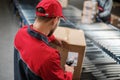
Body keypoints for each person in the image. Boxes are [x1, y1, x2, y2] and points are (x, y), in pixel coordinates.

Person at [14, 0, 74, 80]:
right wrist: (69, 72)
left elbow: (33, 39)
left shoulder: (21, 33)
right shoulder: (49, 57)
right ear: (55, 20)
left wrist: (52, 38)